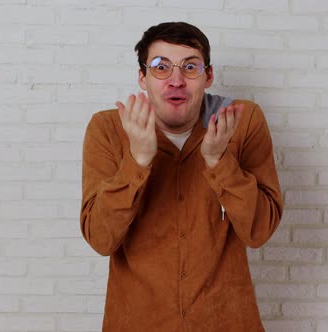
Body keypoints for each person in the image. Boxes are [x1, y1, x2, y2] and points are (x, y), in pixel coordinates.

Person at [80, 22, 283, 332]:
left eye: (190, 67)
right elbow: (101, 238)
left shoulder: (241, 122)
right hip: (137, 321)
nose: (176, 80)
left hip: (225, 320)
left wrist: (219, 161)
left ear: (208, 76)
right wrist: (137, 160)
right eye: (161, 67)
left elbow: (259, 231)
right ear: (142, 77)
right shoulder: (109, 129)